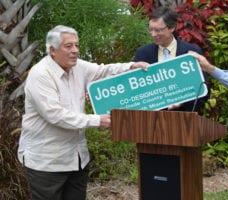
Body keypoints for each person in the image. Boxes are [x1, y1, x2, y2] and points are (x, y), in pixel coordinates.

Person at [17, 25, 148, 200]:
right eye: (68, 46)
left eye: (77, 46)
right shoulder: (40, 75)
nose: (75, 51)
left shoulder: (78, 66)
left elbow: (103, 70)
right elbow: (55, 115)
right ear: (52, 50)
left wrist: (132, 66)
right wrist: (96, 120)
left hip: (77, 159)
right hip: (47, 163)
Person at [132, 6, 209, 113]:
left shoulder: (191, 52)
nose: (153, 34)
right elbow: (135, 91)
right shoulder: (143, 53)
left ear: (172, 28)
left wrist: (183, 102)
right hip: (149, 121)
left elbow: (203, 90)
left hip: (184, 120)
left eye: (158, 30)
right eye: (151, 29)